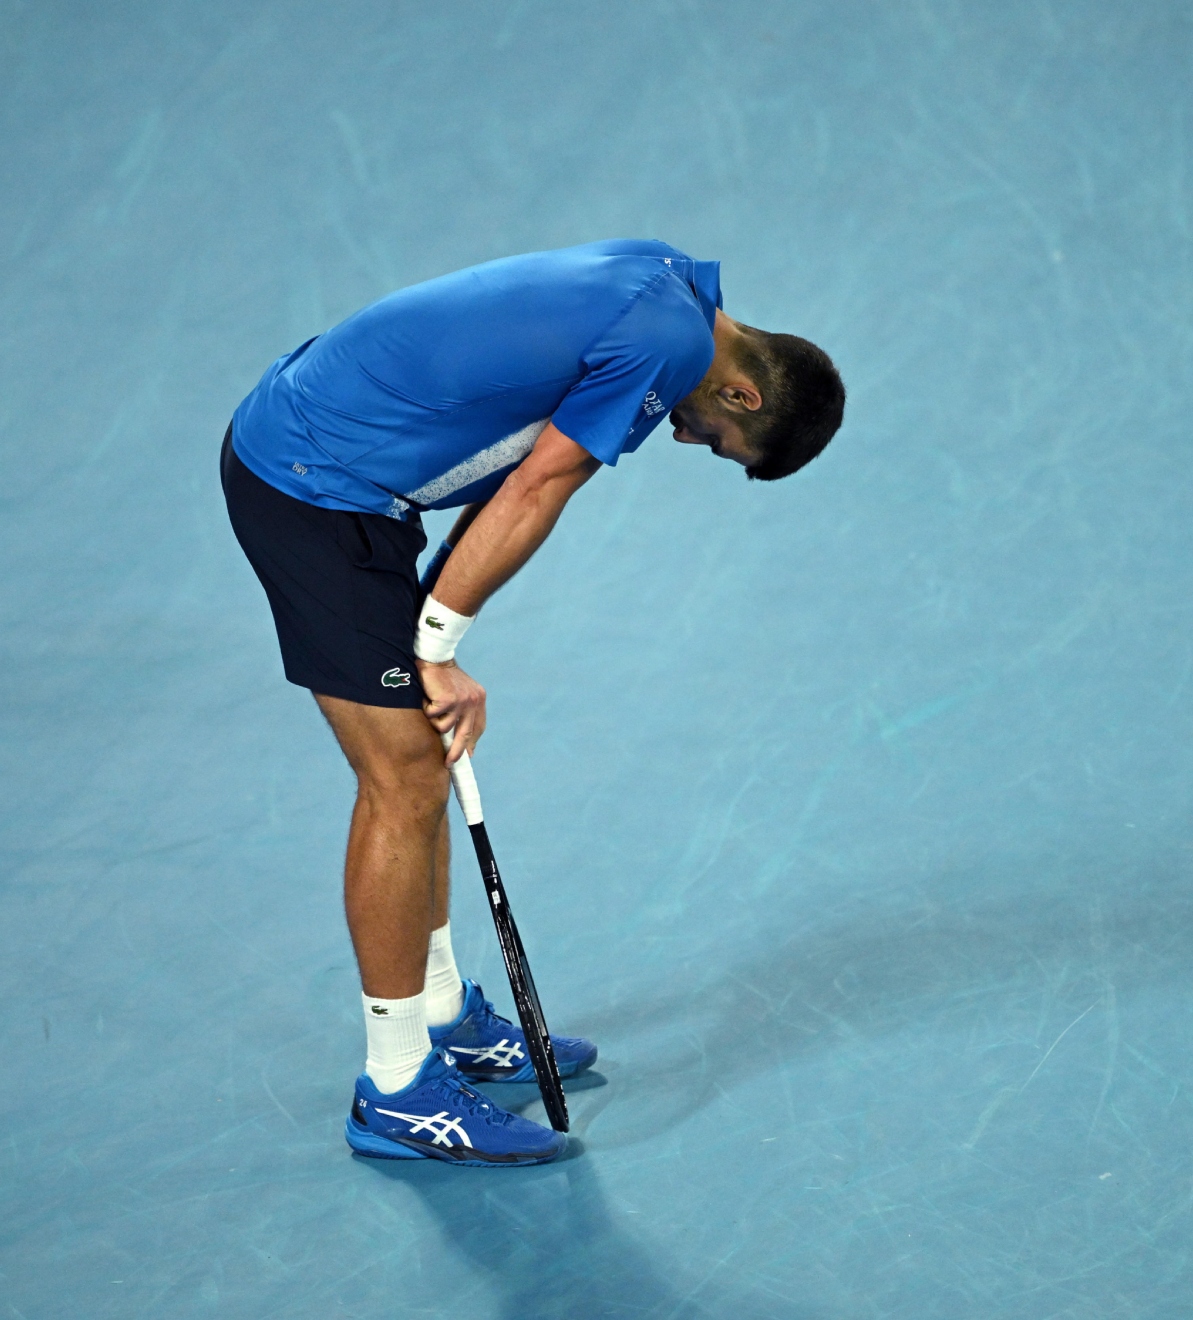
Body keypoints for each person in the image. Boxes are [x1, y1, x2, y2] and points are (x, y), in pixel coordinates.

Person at [221, 239, 845, 1166]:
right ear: (741, 394)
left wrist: (434, 629)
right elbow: (535, 486)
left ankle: (440, 1018)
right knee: (401, 779)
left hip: (354, 477)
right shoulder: (666, 352)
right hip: (313, 484)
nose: (683, 438)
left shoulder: (674, 289)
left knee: (423, 765)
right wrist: (437, 648)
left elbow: (518, 451)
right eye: (713, 439)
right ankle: (395, 1091)